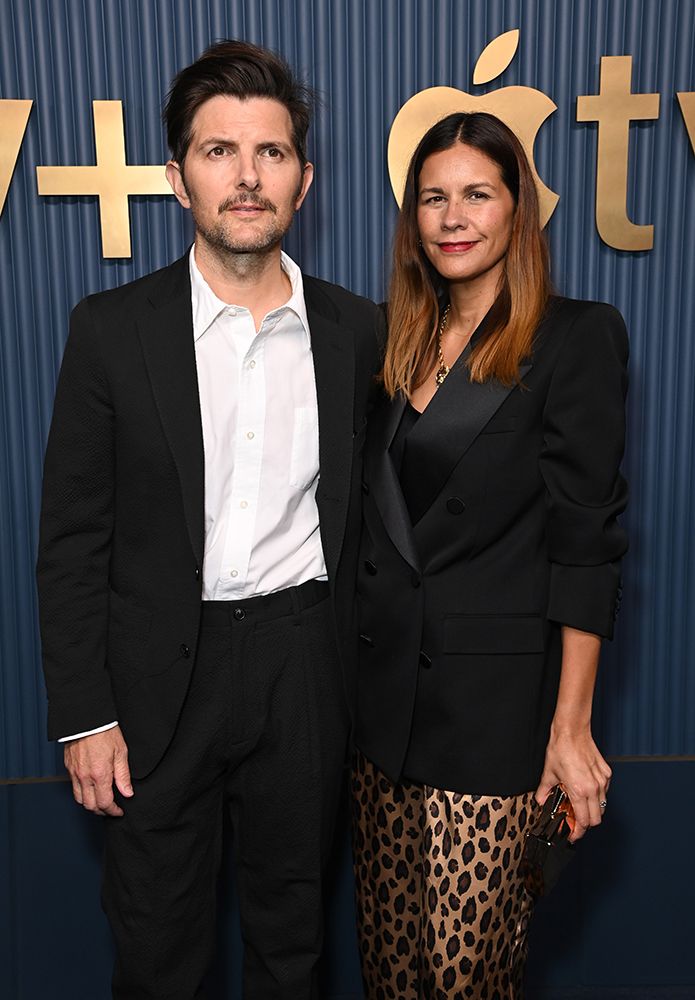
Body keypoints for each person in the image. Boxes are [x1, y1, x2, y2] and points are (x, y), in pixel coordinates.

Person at [36, 39, 382, 999]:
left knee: (292, 944)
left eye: (270, 153)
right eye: (218, 150)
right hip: (154, 679)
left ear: (303, 182)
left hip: (301, 662)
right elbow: (71, 537)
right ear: (175, 175)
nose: (246, 176)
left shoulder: (359, 331)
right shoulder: (110, 330)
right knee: (157, 950)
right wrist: (83, 715)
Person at [351, 111, 628, 999]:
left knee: (463, 976)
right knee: (393, 972)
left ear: (517, 211)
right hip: (382, 719)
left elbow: (586, 543)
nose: (452, 216)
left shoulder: (574, 336)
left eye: (476, 193)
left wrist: (571, 727)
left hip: (491, 722)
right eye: (433, 198)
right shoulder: (390, 349)